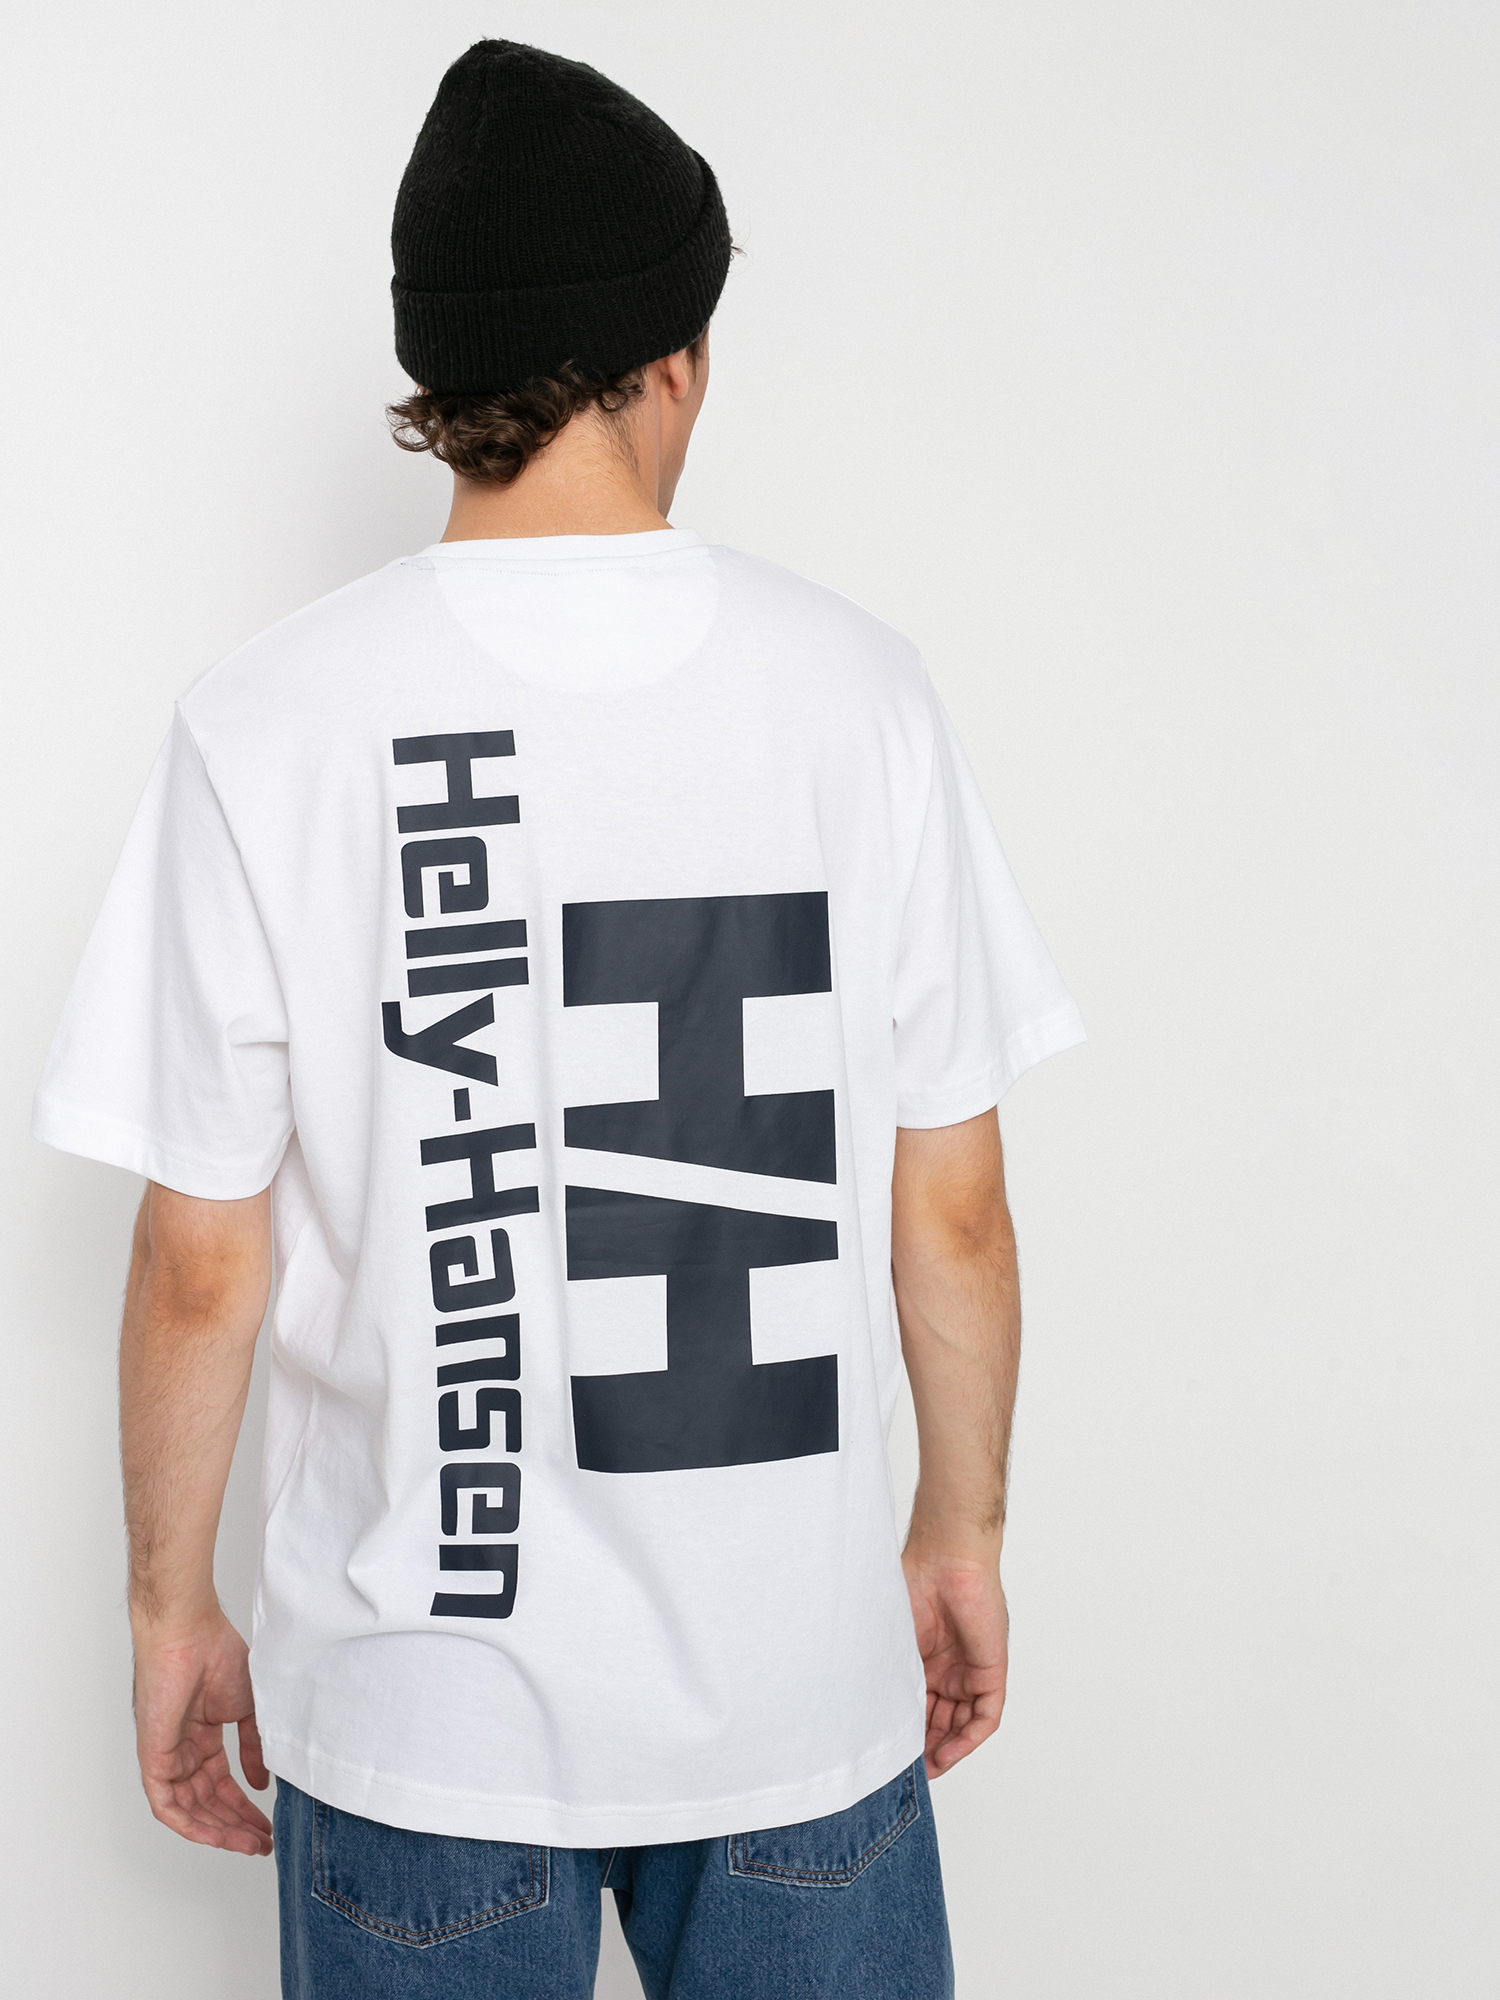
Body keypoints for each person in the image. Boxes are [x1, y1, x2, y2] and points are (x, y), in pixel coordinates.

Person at [33, 38, 1083, 2000]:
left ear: (439, 379)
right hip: (793, 1699)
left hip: (421, 1724)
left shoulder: (269, 723)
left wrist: (169, 1606)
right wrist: (961, 1530)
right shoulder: (858, 697)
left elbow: (199, 1262)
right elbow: (948, 1205)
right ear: (671, 361)